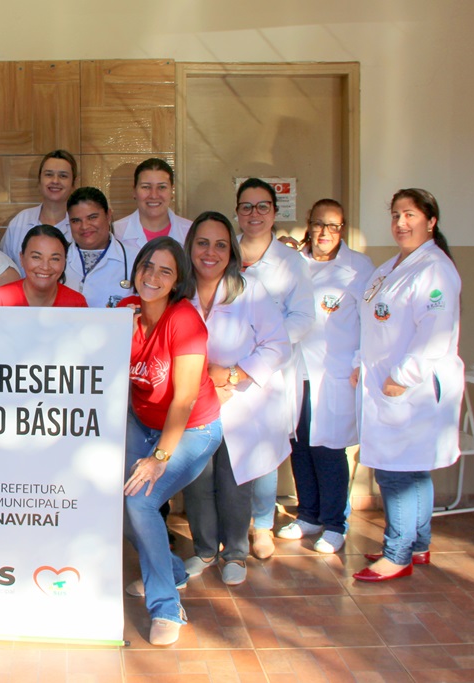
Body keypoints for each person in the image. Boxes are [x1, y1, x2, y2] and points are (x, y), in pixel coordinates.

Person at [352, 189, 462, 582]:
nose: (401, 223)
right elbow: (371, 323)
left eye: (410, 215)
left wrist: (402, 376)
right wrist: (358, 362)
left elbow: (434, 334)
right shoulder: (391, 267)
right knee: (414, 470)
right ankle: (418, 545)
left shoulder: (435, 269)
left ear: (431, 221)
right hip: (386, 382)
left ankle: (397, 554)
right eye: (396, 215)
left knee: (396, 471)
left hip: (409, 387)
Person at [117, 236, 222, 646]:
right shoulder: (126, 311)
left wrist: (159, 457)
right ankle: (172, 571)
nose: (153, 276)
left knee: (140, 501)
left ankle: (166, 606)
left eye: (165, 271)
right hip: (142, 422)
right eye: (147, 266)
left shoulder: (184, 320)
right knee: (119, 501)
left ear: (177, 281)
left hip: (193, 429)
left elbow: (185, 398)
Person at [180, 212, 291, 586]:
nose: (210, 253)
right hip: (195, 403)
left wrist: (232, 375)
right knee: (197, 480)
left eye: (220, 245)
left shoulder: (249, 290)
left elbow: (278, 345)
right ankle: (204, 550)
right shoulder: (179, 291)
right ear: (190, 247)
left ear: (231, 252)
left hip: (239, 402)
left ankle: (236, 553)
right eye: (202, 243)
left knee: (234, 480)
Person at [277, 199, 373, 553]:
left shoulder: (359, 267)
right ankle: (309, 514)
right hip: (296, 368)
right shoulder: (294, 261)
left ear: (342, 229)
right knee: (300, 445)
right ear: (308, 223)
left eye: (333, 226)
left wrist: (361, 361)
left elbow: (370, 323)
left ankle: (334, 523)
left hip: (335, 371)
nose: (324, 232)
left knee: (329, 448)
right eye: (318, 224)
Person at [235, 178, 315, 559]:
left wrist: (267, 345)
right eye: (247, 207)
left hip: (269, 369)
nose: (254, 214)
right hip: (226, 368)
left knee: (265, 449)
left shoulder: (291, 262)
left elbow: (303, 317)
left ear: (274, 211)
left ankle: (262, 525)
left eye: (262, 206)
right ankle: (233, 526)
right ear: (237, 212)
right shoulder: (223, 252)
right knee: (228, 449)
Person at [0, 149, 77, 269]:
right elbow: (4, 268)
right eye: (49, 174)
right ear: (39, 181)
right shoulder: (20, 221)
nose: (55, 181)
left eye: (63, 176)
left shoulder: (80, 225)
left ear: (73, 183)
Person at [63, 187, 136, 307]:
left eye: (92, 217)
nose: (84, 226)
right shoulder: (59, 258)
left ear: (108, 215)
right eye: (76, 220)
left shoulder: (135, 259)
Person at [0, 225, 87, 308]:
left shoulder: (76, 303)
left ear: (65, 261)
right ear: (22, 258)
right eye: (36, 257)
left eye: (54, 259)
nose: (45, 267)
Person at [113, 158, 193, 254]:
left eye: (162, 187)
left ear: (172, 191)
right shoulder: (115, 233)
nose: (154, 195)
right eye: (146, 187)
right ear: (134, 191)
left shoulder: (191, 232)